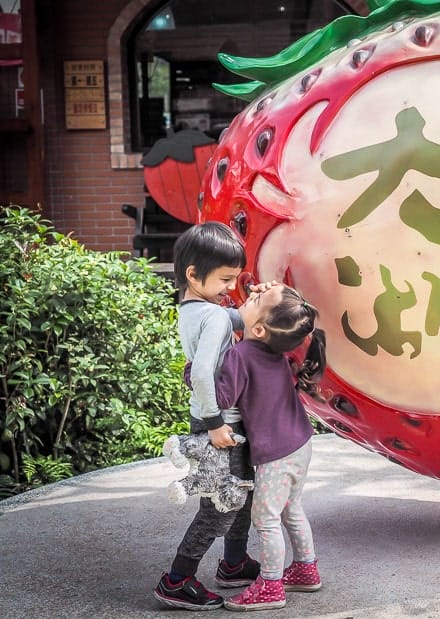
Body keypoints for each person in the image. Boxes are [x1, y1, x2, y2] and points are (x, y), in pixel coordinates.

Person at [153, 222, 260, 611]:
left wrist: (253, 302)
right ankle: (177, 579)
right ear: (194, 275)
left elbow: (240, 319)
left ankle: (234, 564)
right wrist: (216, 424)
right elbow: (200, 371)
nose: (230, 289)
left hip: (218, 417)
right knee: (219, 505)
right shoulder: (212, 317)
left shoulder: (193, 309)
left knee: (241, 491)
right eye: (225, 280)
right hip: (220, 422)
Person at [214, 282, 326, 612]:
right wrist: (269, 293)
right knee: (292, 510)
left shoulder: (242, 354)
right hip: (300, 444)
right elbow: (284, 309)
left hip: (276, 455)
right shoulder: (276, 350)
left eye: (256, 298)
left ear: (260, 327)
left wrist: (195, 373)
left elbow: (223, 399)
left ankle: (271, 585)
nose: (249, 296)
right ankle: (306, 569)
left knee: (265, 519)